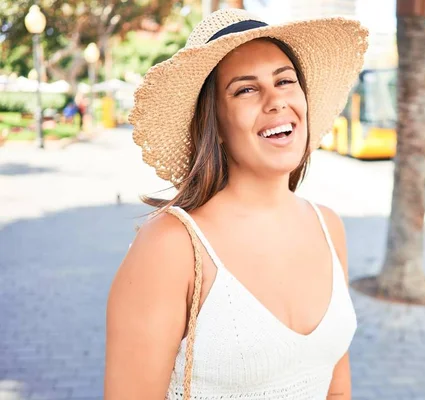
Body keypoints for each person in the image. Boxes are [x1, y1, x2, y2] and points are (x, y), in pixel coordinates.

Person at [105, 8, 369, 400]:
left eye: (285, 80)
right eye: (246, 89)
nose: (276, 100)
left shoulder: (328, 226)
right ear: (216, 125)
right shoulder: (171, 246)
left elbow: (336, 390)